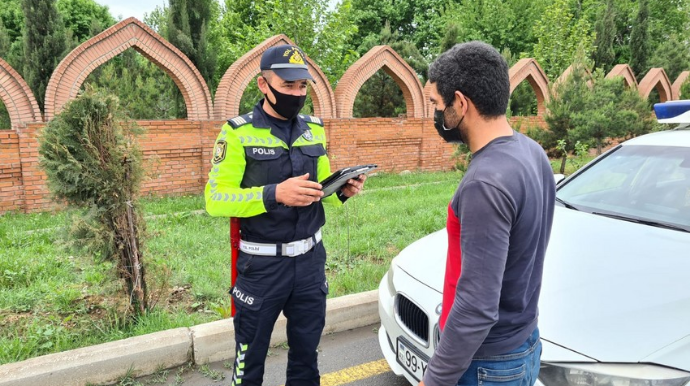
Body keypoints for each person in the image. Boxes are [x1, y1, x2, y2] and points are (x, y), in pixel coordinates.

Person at [204, 44, 366, 386]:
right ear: (264, 84)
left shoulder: (314, 129)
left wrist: (342, 191)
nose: (297, 93)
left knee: (307, 360)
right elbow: (215, 199)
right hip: (261, 268)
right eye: (288, 85)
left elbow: (320, 189)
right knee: (249, 365)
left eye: (302, 86)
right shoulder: (237, 133)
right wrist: (274, 193)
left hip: (310, 263)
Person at [421, 41, 555, 386]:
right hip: (524, 340)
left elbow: (478, 307)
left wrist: (434, 379)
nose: (435, 114)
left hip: (486, 363)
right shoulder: (532, 152)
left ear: (461, 103)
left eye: (437, 103)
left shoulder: (485, 182)